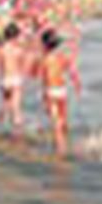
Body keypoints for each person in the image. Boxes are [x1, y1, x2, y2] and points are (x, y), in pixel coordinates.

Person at [39, 26, 81, 155]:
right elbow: (72, 72)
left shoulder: (45, 60)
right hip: (62, 90)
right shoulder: (62, 57)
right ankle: (66, 141)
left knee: (56, 122)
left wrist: (44, 97)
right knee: (63, 119)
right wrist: (77, 85)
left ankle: (60, 149)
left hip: (51, 91)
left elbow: (44, 79)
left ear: (44, 45)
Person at [0, 23, 27, 132]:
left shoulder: (1, 49)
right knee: (16, 107)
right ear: (15, 36)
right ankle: (17, 129)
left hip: (5, 79)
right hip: (15, 78)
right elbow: (22, 65)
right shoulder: (18, 50)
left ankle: (2, 114)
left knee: (6, 102)